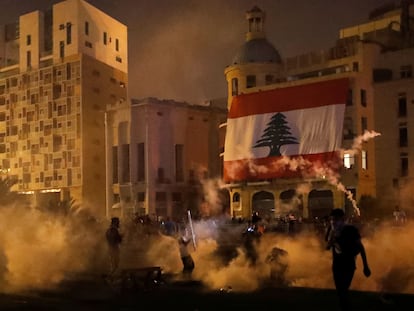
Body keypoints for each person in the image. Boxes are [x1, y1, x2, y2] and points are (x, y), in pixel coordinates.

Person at [326, 208, 371, 311]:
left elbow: (361, 247)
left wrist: (365, 266)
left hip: (348, 265)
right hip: (336, 266)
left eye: (336, 219)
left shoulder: (350, 230)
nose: (333, 222)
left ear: (342, 219)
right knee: (340, 292)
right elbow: (328, 247)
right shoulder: (332, 231)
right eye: (332, 219)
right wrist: (331, 242)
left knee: (343, 290)